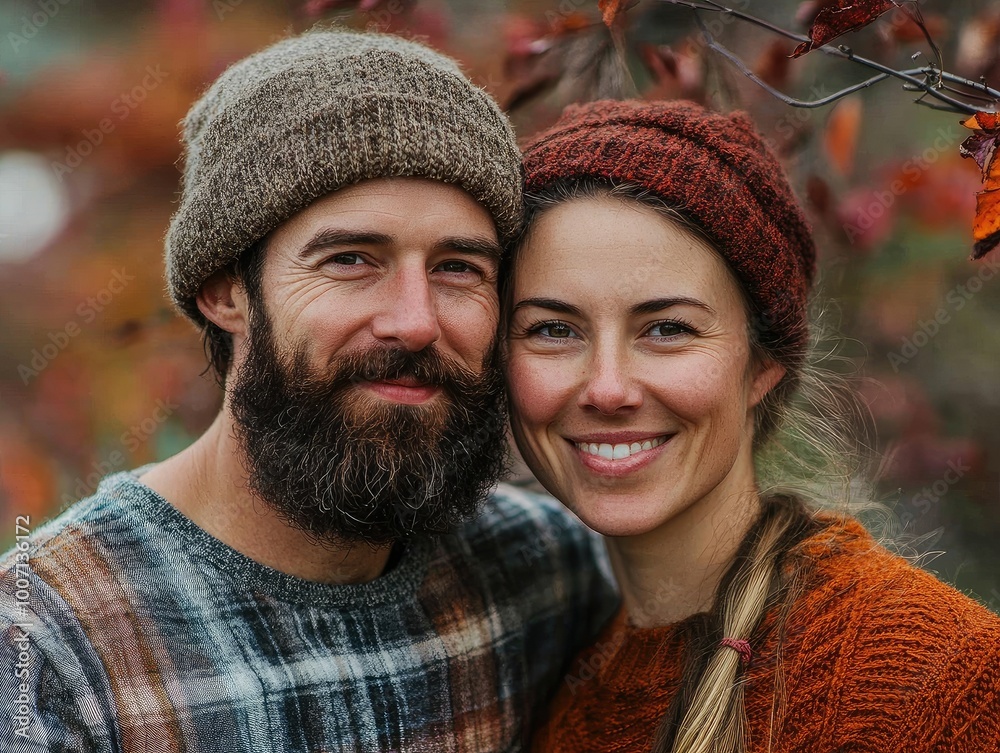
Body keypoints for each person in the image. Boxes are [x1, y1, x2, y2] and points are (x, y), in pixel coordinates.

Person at [0, 29, 618, 752]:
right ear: (225, 288)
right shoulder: (47, 646)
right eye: (352, 258)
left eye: (458, 268)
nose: (415, 323)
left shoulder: (547, 570)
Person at [500, 99, 1000, 752]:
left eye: (667, 329)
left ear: (762, 362)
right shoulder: (546, 678)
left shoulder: (936, 682)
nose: (608, 388)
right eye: (554, 329)